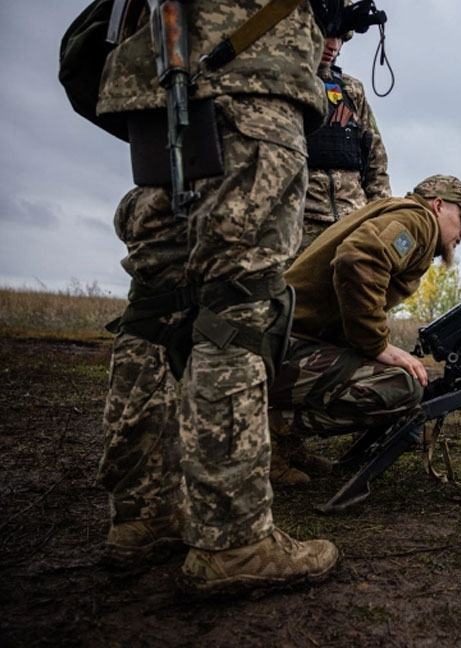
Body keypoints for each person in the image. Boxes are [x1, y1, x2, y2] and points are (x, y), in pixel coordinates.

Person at [95, 0, 341, 597]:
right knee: (240, 301)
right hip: (248, 70)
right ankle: (232, 540)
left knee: (158, 303)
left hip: (155, 69)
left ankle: (143, 516)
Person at [267, 175, 461, 484]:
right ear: (438, 205)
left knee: (389, 373)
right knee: (401, 386)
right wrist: (377, 345)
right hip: (278, 350)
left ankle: (288, 445)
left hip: (278, 343)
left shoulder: (397, 214)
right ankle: (271, 430)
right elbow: (357, 259)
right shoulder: (418, 220)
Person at [301, 24, 391, 252]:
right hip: (301, 222)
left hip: (353, 221)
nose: (333, 45)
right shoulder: (290, 84)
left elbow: (375, 160)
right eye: (328, 35)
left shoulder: (352, 90)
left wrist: (380, 219)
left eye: (340, 38)